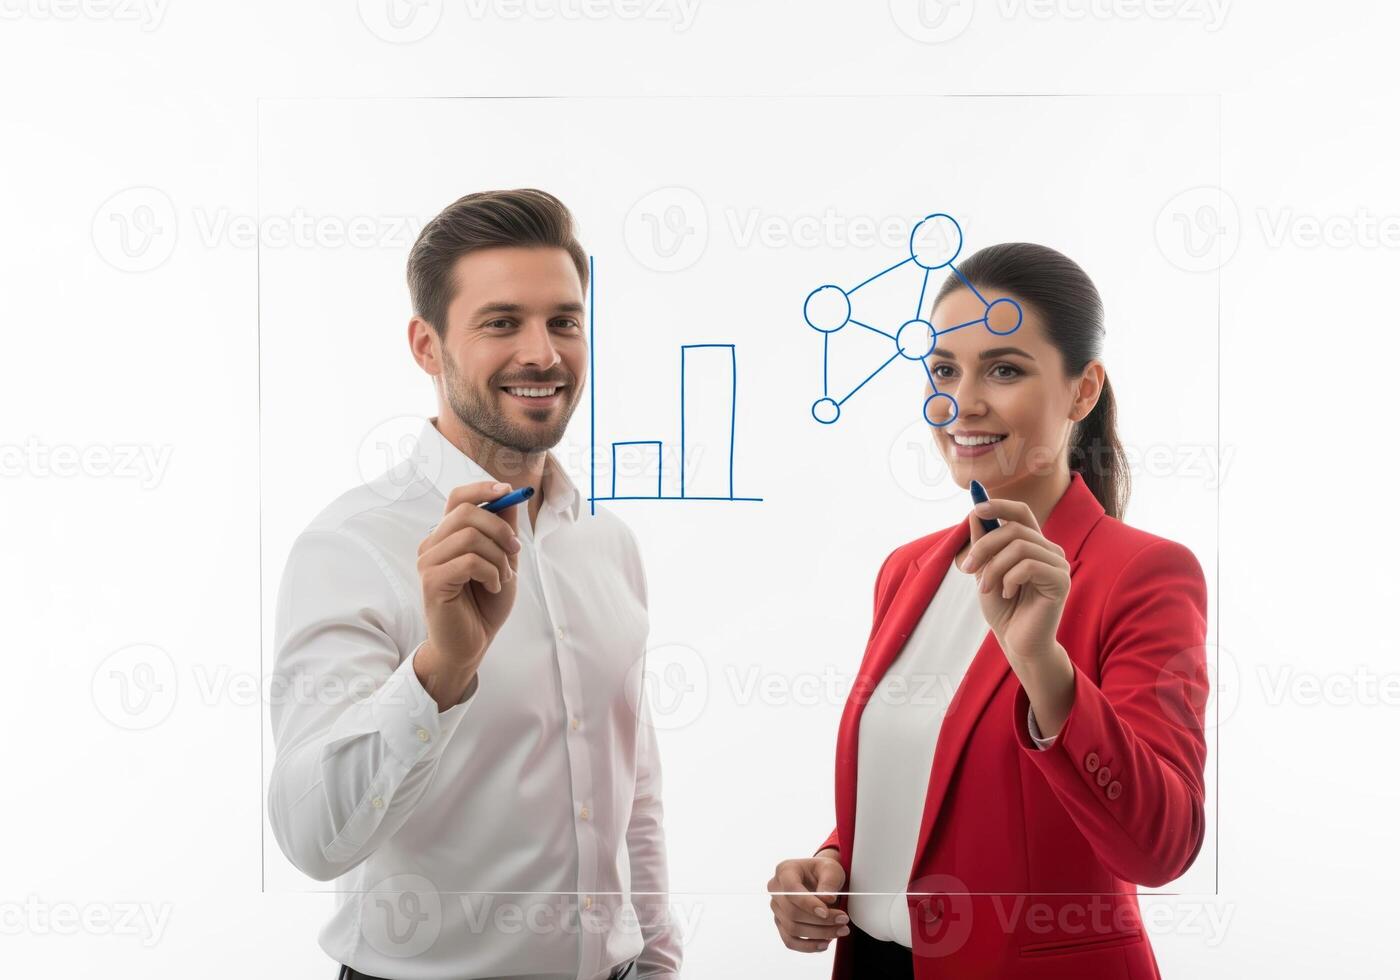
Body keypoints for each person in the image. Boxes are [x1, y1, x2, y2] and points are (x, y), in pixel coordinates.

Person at [267, 188, 681, 980]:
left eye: (564, 320)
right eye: (501, 323)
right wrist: (440, 672)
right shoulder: (350, 547)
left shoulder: (607, 543)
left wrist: (658, 962)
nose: (544, 353)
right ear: (428, 347)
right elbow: (312, 837)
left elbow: (636, 789)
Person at [768, 243, 1209, 979]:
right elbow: (927, 787)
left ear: (1081, 391)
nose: (962, 403)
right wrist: (833, 861)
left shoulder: (1144, 574)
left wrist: (1044, 665)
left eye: (1003, 369)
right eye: (944, 370)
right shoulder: (906, 569)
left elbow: (1160, 847)